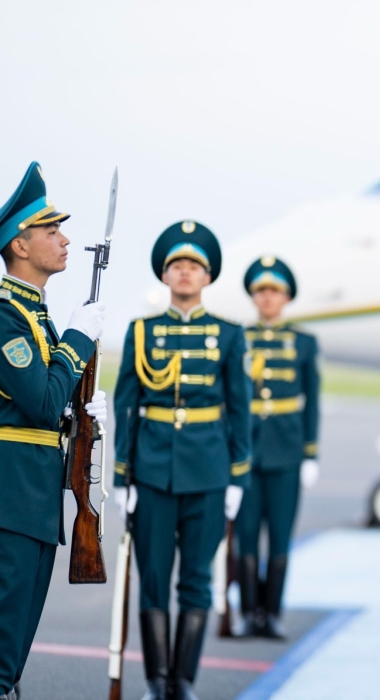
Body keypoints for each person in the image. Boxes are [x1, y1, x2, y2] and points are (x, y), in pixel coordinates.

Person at [112, 221, 252, 700]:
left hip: (209, 473)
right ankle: (155, 681)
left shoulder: (229, 336)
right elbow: (126, 405)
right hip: (151, 471)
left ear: (207, 276)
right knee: (153, 578)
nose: (185, 272)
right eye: (176, 265)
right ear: (165, 276)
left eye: (194, 265)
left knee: (195, 580)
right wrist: (122, 475)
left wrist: (237, 475)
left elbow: (240, 409)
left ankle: (183, 681)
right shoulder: (141, 332)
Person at [0, 162, 106, 700]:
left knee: (12, 652)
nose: (65, 240)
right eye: (51, 231)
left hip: (33, 498)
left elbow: (53, 409)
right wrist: (76, 340)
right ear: (19, 244)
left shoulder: (33, 315)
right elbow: (40, 403)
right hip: (10, 498)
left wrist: (84, 412)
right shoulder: (5, 317)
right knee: (1, 651)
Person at [233, 256, 320, 638]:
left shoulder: (304, 342)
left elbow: (312, 400)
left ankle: (272, 614)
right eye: (261, 291)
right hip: (247, 451)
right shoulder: (239, 338)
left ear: (286, 297)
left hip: (286, 451)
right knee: (247, 534)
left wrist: (310, 452)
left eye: (275, 291)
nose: (268, 299)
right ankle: (249, 613)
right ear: (254, 296)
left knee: (281, 536)